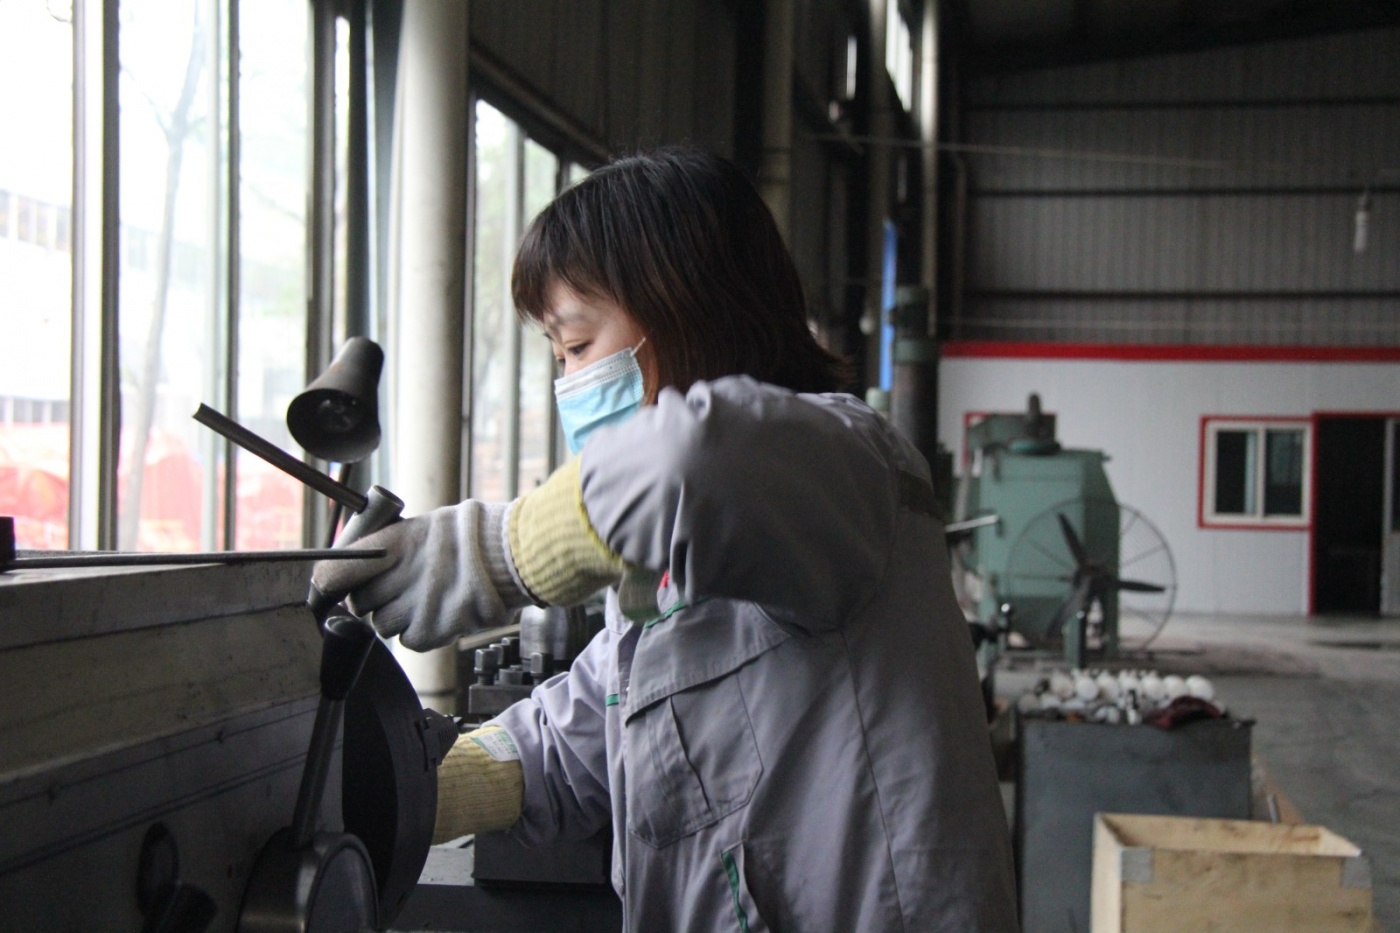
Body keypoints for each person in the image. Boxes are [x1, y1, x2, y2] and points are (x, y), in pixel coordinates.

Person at [313, 147, 1018, 931]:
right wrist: (401, 788)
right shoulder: (661, 582)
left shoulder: (846, 466)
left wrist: (490, 552)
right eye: (558, 358)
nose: (568, 382)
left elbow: (687, 464)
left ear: (687, 311)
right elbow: (573, 738)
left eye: (579, 347)